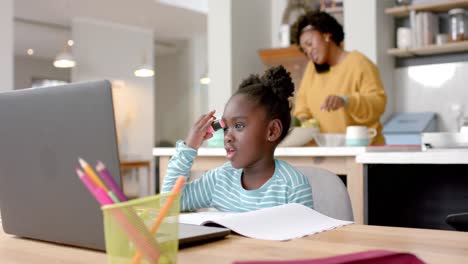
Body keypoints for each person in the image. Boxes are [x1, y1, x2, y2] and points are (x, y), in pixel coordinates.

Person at [161, 66, 313, 212]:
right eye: (225, 127)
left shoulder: (294, 186)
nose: (227, 136)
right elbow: (168, 204)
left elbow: (305, 238)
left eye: (239, 126)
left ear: (272, 131)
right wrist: (189, 147)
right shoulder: (219, 180)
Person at [291, 11, 387, 144]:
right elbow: (303, 109)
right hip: (327, 155)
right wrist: (299, 123)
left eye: (310, 43)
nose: (308, 52)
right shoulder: (311, 70)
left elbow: (378, 103)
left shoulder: (359, 63)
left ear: (326, 34)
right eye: (304, 50)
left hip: (362, 153)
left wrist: (346, 101)